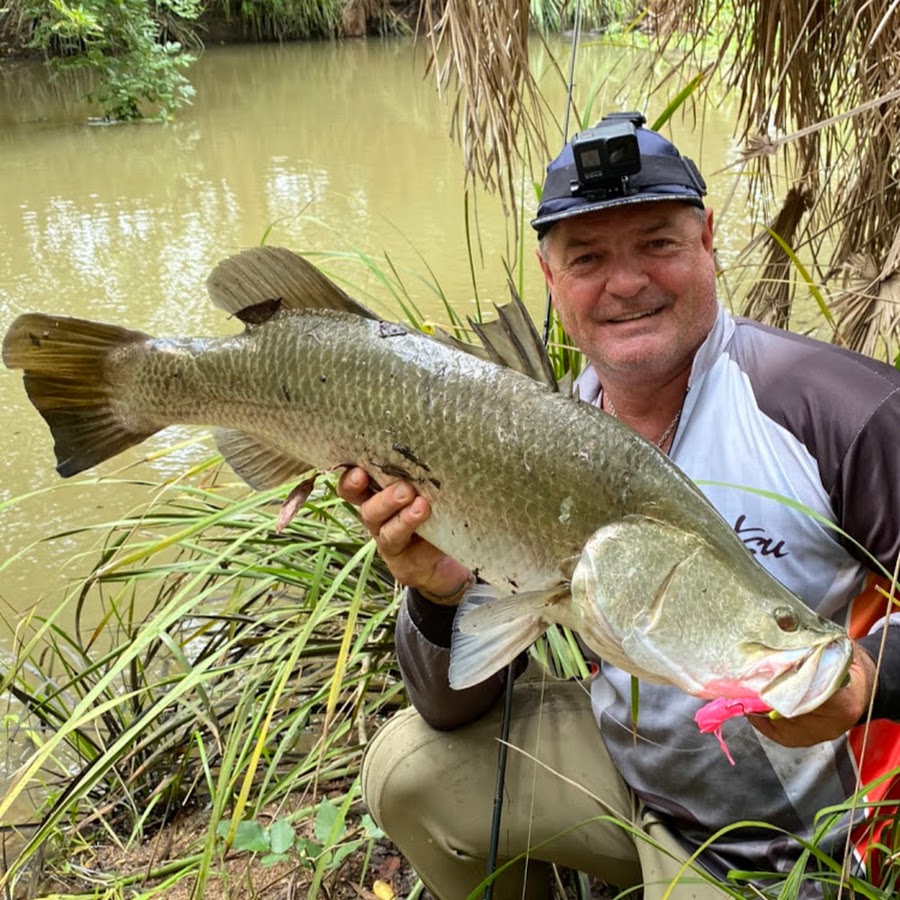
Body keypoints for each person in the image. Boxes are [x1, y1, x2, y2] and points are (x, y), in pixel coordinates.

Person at [337, 113, 900, 899]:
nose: (626, 282)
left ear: (707, 237)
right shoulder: (527, 436)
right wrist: (435, 594)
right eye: (589, 257)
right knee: (410, 773)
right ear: (549, 275)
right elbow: (447, 703)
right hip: (629, 781)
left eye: (657, 244)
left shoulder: (840, 411)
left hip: (791, 845)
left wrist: (870, 677)